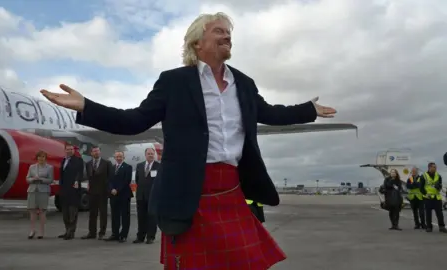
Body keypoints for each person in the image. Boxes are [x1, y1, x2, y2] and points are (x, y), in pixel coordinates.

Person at [40, 12, 337, 269]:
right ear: (198, 42)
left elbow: (270, 113)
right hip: (187, 194)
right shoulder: (174, 81)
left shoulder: (243, 84)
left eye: (229, 33)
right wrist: (86, 107)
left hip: (231, 190)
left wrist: (308, 109)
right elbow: (133, 121)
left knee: (245, 263)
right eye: (219, 31)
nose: (227, 36)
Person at [81, 146, 111, 240]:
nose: (96, 153)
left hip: (103, 192)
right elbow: (90, 177)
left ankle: (102, 232)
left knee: (103, 213)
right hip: (92, 192)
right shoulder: (88, 164)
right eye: (94, 151)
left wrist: (108, 189)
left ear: (100, 152)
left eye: (97, 151)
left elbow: (110, 178)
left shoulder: (107, 163)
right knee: (92, 213)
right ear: (91, 153)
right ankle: (92, 232)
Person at [133, 148, 160, 244]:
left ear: (154, 155)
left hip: (152, 196)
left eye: (152, 154)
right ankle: (140, 236)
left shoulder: (159, 166)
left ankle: (150, 237)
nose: (150, 155)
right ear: (145, 155)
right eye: (148, 154)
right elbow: (137, 180)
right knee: (141, 217)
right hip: (141, 196)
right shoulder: (139, 166)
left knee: (152, 217)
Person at [58, 143, 84, 240]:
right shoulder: (64, 160)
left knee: (72, 212)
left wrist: (77, 181)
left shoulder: (78, 160)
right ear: (65, 150)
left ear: (74, 150)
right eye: (67, 149)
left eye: (71, 149)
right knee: (65, 213)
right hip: (64, 190)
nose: (69, 151)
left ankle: (71, 232)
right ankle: (67, 230)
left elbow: (80, 173)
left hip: (73, 189)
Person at [105, 150, 133, 243]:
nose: (118, 158)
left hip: (124, 195)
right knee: (114, 215)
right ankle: (115, 234)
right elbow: (109, 180)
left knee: (125, 215)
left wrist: (117, 189)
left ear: (123, 157)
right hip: (113, 195)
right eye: (117, 157)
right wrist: (111, 189)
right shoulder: (112, 168)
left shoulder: (128, 167)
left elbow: (126, 181)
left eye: (120, 156)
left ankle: (123, 235)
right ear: (114, 158)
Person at [26, 150, 53, 239]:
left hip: (43, 191)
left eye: (43, 157)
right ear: (37, 158)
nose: (41, 158)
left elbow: (50, 180)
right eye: (39, 156)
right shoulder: (32, 167)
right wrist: (32, 179)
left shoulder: (49, 168)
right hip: (32, 190)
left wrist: (41, 179)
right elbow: (27, 178)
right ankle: (32, 230)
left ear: (45, 158)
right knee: (32, 211)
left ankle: (41, 232)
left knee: (42, 211)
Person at [419, 162, 447, 233]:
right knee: (428, 213)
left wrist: (439, 187)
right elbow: (421, 188)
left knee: (439, 213)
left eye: (435, 167)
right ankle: (429, 227)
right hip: (428, 197)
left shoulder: (438, 176)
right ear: (429, 168)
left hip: (437, 197)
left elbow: (440, 185)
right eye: (433, 167)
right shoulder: (423, 176)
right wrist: (425, 193)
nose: (435, 168)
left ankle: (442, 227)